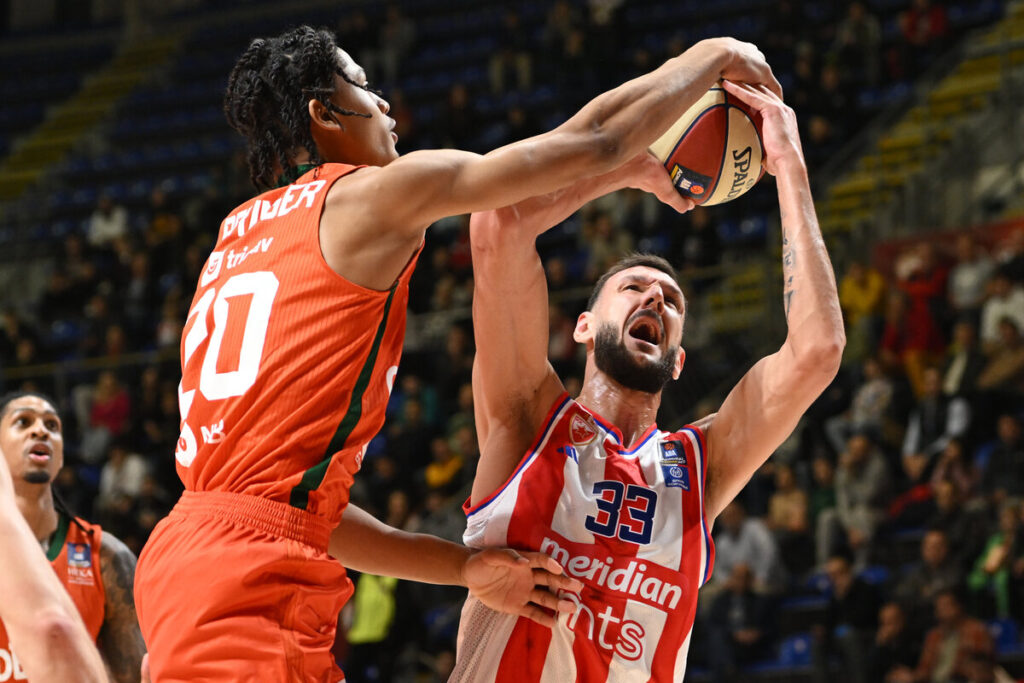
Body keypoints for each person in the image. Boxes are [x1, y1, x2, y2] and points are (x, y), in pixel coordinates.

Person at [133, 24, 781, 683]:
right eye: (362, 85)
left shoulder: (235, 235)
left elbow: (298, 511)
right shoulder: (372, 197)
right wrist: (716, 57)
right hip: (248, 583)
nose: (386, 105)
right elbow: (591, 144)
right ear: (323, 114)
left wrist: (464, 567)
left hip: (200, 554)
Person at [450, 79, 843, 680]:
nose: (656, 298)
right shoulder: (527, 412)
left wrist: (789, 165)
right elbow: (497, 224)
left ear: (678, 359)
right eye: (633, 288)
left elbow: (817, 350)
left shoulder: (699, 466)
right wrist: (631, 168)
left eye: (672, 301)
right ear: (582, 327)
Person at [0, 391, 145, 682]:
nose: (40, 430)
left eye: (52, 426)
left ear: (62, 454)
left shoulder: (107, 557)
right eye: (23, 422)